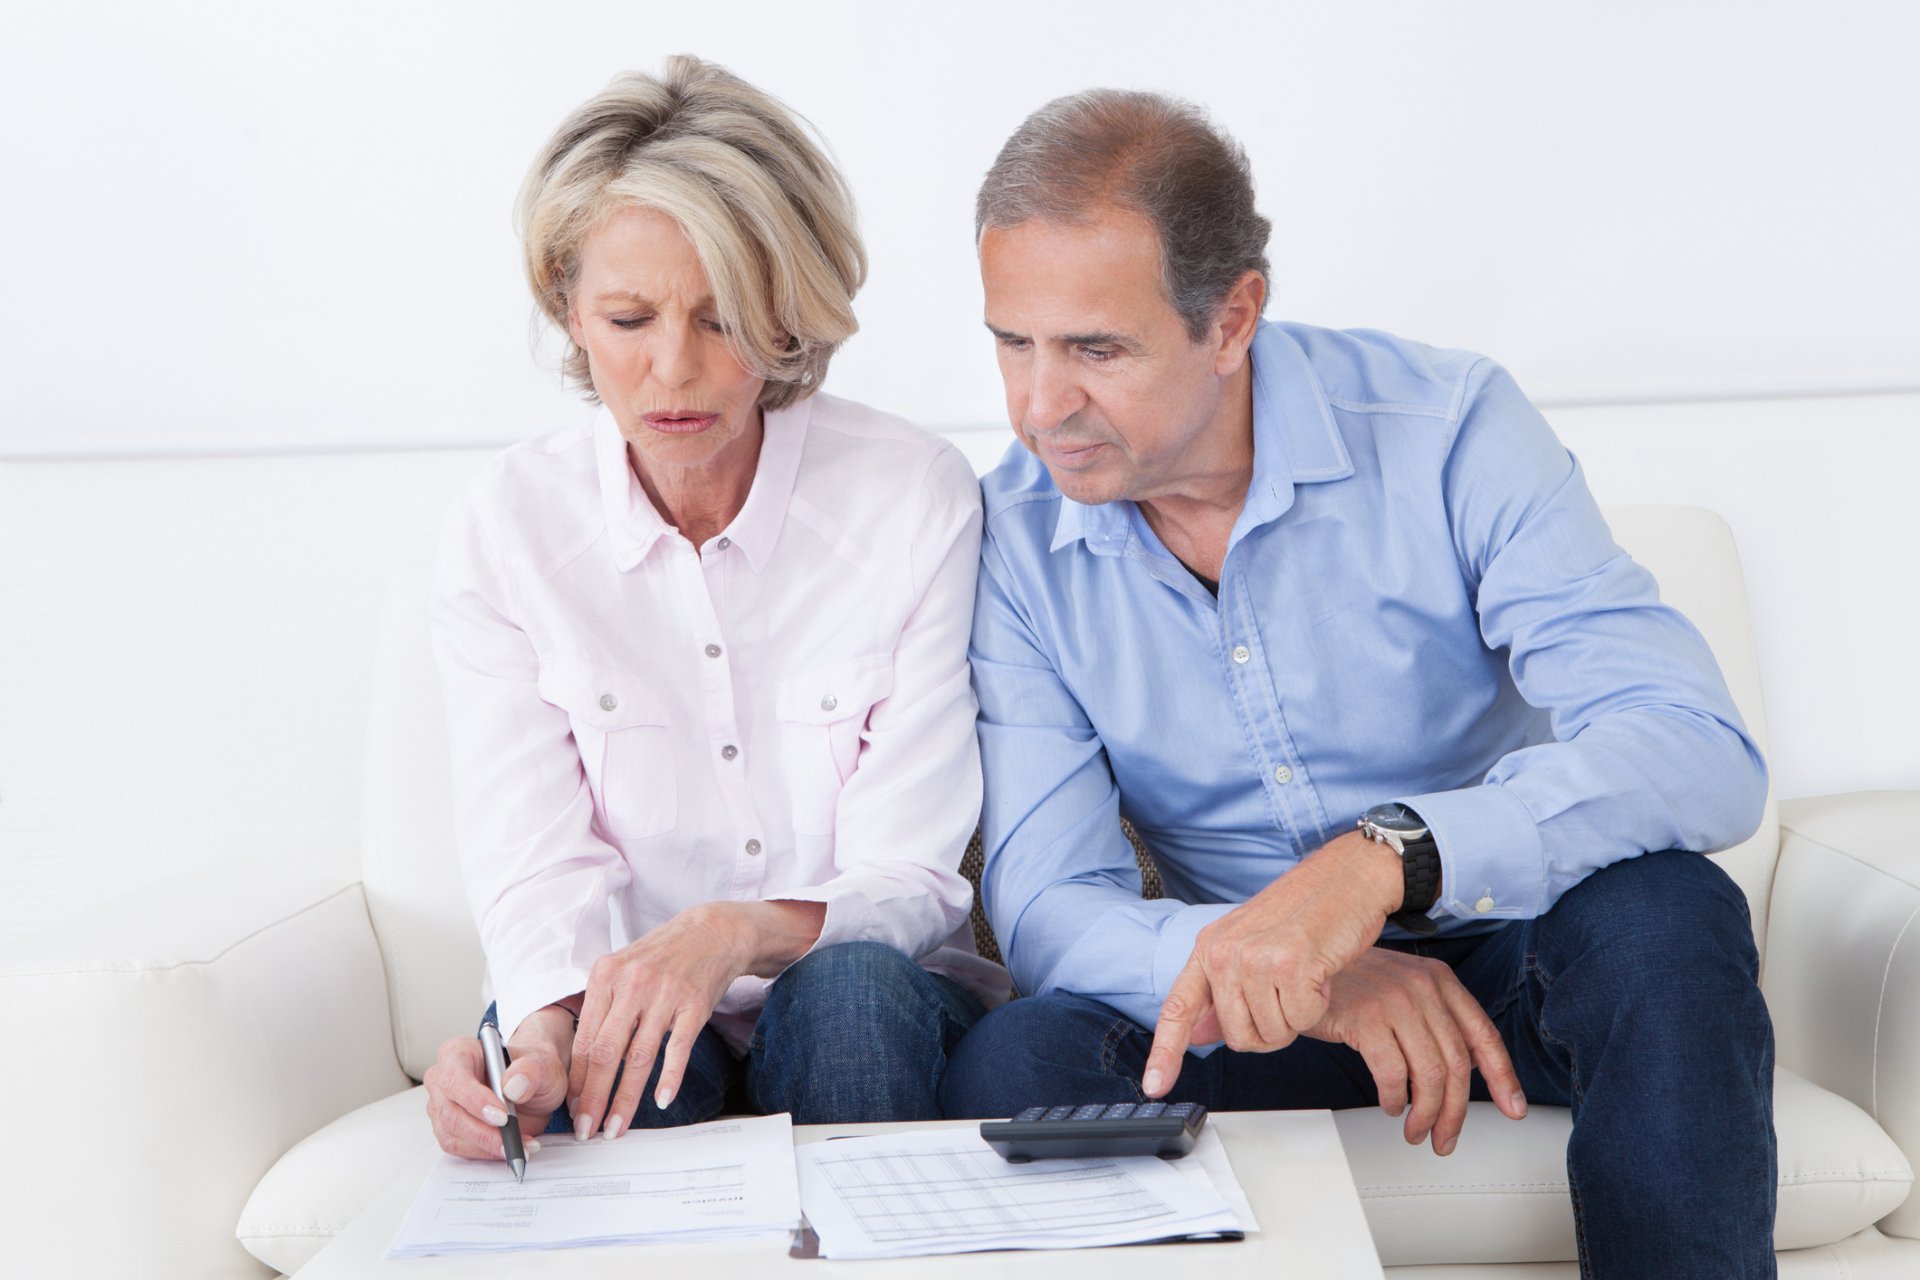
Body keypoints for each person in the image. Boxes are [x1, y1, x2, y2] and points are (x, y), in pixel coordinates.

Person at [939, 89, 1776, 1276]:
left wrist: (1383, 859)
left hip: (1509, 952)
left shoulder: (1449, 428)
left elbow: (1695, 745)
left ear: (1232, 318)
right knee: (1015, 1060)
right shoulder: (1013, 540)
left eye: (1095, 349)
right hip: (1252, 1002)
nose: (1038, 407)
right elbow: (1045, 906)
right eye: (1012, 342)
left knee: (1667, 914)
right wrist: (1302, 968)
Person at [421, 56, 1006, 1162]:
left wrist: (732, 930)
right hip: (628, 1004)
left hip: (857, 997)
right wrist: (534, 1035)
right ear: (566, 306)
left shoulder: (910, 494)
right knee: (614, 1034)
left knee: (849, 1004)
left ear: (791, 312)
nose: (673, 372)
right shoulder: (507, 524)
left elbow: (914, 871)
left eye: (723, 316)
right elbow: (536, 864)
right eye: (629, 317)